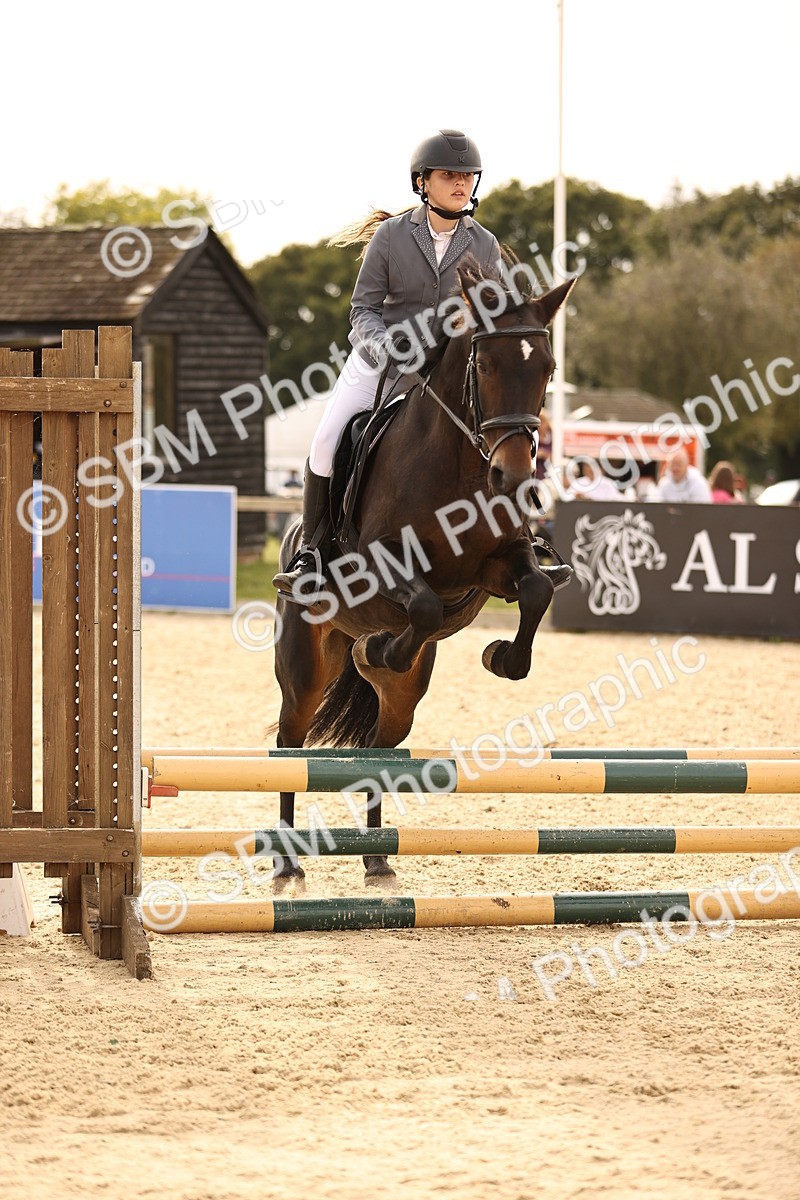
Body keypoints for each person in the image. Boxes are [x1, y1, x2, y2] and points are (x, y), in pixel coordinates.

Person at [273, 129, 571, 599]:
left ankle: (522, 542)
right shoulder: (392, 236)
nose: (461, 183)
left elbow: (488, 317)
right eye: (449, 175)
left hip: (445, 369)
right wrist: (385, 346)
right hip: (380, 362)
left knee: (502, 437)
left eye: (468, 176)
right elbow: (363, 309)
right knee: (326, 440)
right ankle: (310, 554)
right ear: (422, 182)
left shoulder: (484, 243)